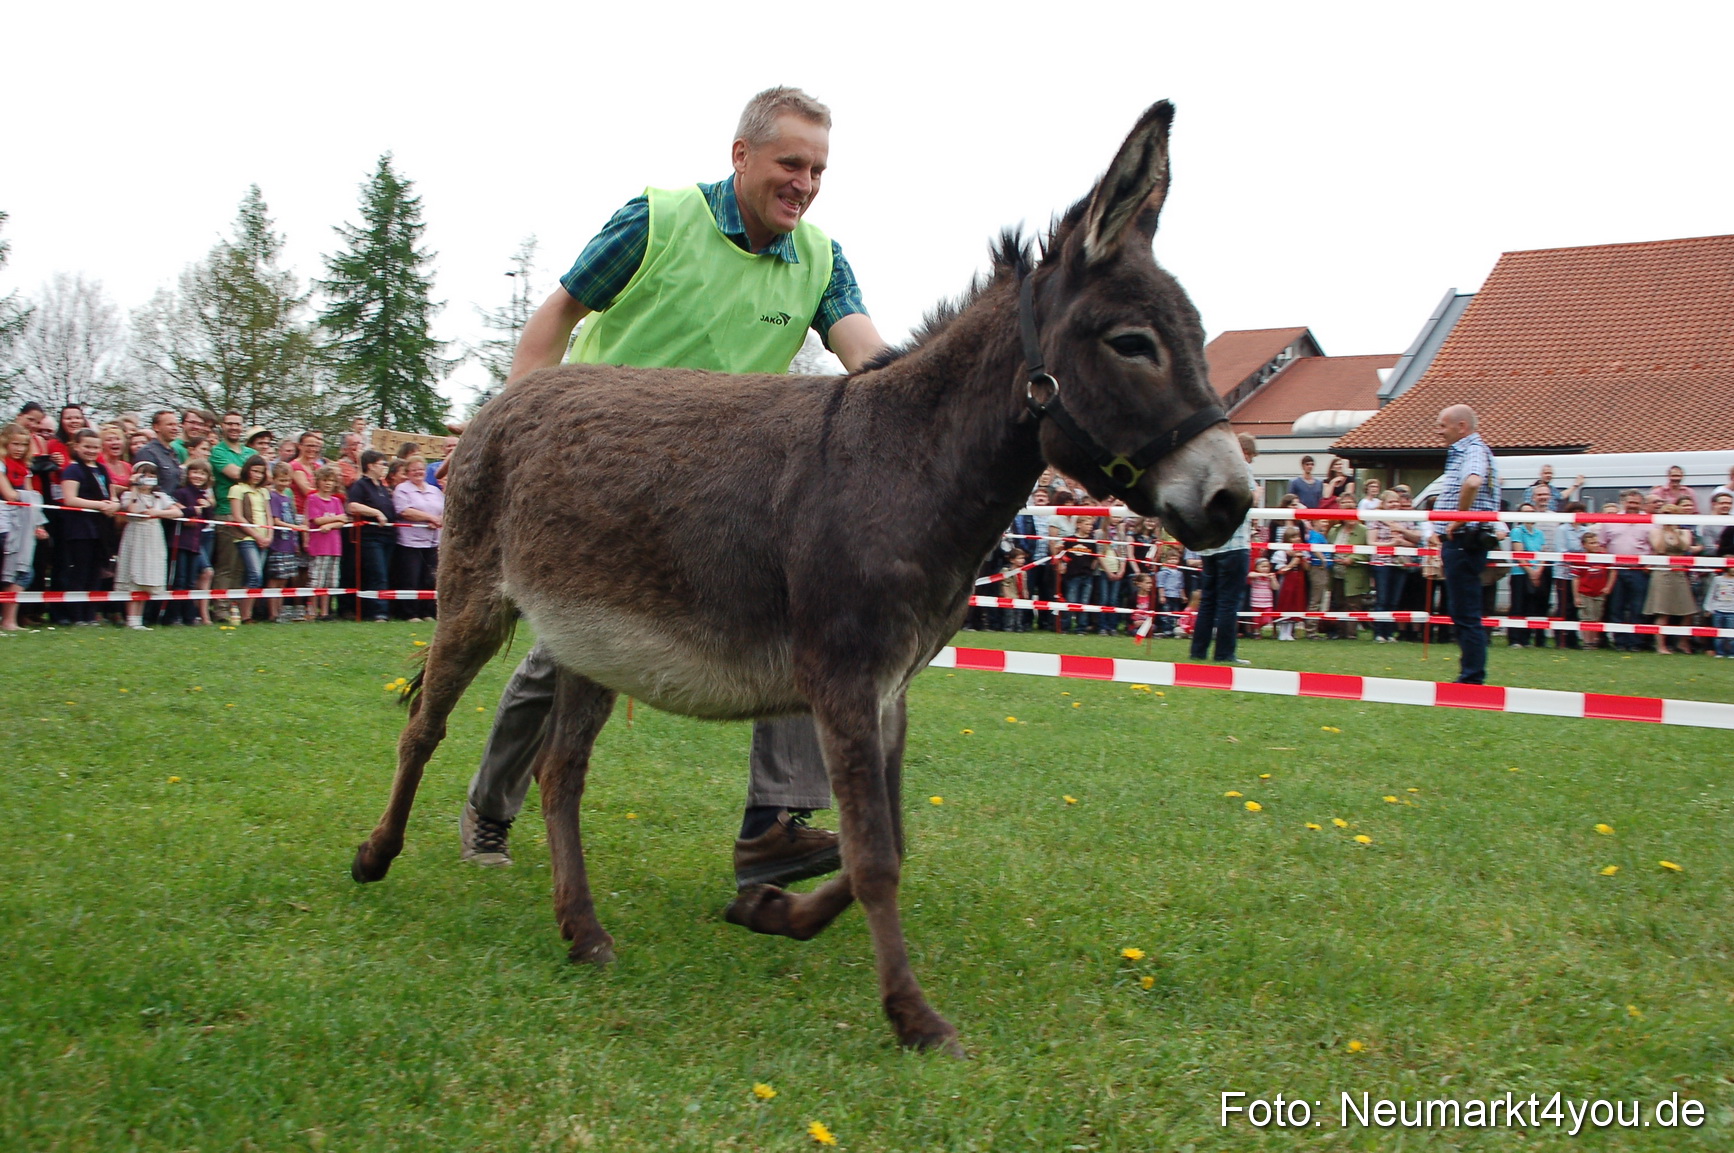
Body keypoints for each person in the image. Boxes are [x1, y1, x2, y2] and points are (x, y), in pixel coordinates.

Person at [460, 87, 889, 888]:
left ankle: (778, 821)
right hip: (599, 483)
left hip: (718, 493)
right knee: (563, 659)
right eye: (790, 163)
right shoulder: (655, 220)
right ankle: (490, 803)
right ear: (741, 156)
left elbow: (865, 354)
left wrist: (918, 407)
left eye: (819, 168)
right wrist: (513, 432)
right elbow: (558, 313)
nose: (805, 182)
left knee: (804, 615)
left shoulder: (823, 261)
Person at [1432, 404, 1499, 684]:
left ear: (1461, 427)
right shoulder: (1471, 450)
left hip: (1463, 541)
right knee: (1463, 611)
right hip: (1462, 542)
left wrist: (1458, 520)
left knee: (1466, 613)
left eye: (1443, 426)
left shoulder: (1471, 450)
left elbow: (1472, 482)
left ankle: (1472, 677)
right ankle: (1470, 672)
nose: (1439, 432)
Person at [1189, 433, 1257, 664]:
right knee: (1229, 601)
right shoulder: (1239, 468)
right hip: (1235, 544)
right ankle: (1225, 653)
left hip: (1211, 546)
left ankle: (1198, 651)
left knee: (1208, 600)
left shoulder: (1207, 471)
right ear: (1245, 453)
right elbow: (1252, 498)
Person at [113, 462, 181, 630]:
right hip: (135, 535)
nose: (149, 479)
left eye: (152, 476)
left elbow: (177, 512)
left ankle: (139, 619)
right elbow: (133, 509)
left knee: (147, 575)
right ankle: (131, 619)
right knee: (133, 574)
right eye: (145, 475)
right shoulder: (129, 495)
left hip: (153, 537)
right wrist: (135, 486)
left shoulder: (160, 496)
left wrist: (158, 513)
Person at [56, 429, 114, 626]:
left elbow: (111, 496)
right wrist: (99, 505)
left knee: (96, 572)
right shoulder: (73, 470)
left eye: (95, 447)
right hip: (80, 528)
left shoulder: (102, 469)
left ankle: (90, 614)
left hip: (101, 528)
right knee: (80, 571)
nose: (91, 451)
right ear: (77, 447)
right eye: (87, 447)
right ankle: (76, 615)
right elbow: (70, 499)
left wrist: (113, 505)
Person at [1, 422, 49, 632]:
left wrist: (38, 524)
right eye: (15, 444)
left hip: (23, 525)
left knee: (23, 573)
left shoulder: (25, 469)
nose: (19, 449)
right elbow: (10, 495)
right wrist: (32, 498)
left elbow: (31, 501)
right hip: (4, 524)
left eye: (23, 444)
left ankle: (9, 620)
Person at [345, 449, 397, 622]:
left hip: (387, 535)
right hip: (371, 537)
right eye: (382, 464)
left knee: (385, 572)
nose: (385, 468)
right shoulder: (361, 485)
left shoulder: (382, 486)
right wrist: (376, 512)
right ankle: (379, 612)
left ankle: (376, 608)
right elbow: (352, 506)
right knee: (377, 573)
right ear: (370, 465)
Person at [392, 453, 443, 622]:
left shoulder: (434, 490)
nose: (418, 472)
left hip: (433, 540)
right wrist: (428, 518)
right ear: (407, 472)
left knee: (430, 578)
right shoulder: (402, 489)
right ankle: (410, 612)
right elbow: (404, 511)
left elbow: (444, 509)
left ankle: (427, 611)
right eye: (413, 470)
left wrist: (438, 520)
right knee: (411, 577)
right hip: (410, 542)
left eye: (421, 469)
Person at [1599, 489, 1653, 651]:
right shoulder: (1611, 520)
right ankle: (1620, 642)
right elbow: (1601, 544)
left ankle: (1635, 643)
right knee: (1617, 608)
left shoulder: (1650, 522)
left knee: (1638, 608)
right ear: (1623, 503)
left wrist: (1649, 564)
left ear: (1641, 504)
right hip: (1616, 571)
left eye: (1636, 503)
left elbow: (1655, 547)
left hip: (1639, 571)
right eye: (1630, 502)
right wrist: (1608, 564)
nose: (1632, 506)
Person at [225, 455, 272, 623]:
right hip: (246, 537)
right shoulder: (237, 489)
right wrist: (257, 535)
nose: (258, 475)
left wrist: (269, 535)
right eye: (255, 471)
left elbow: (268, 515)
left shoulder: (264, 491)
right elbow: (238, 517)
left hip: (264, 536)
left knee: (255, 577)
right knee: (254, 574)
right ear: (247, 470)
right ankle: (243, 614)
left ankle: (247, 614)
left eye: (261, 472)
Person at [1643, 506, 1696, 654]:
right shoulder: (1655, 531)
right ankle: (1661, 646)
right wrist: (1663, 530)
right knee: (1663, 610)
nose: (1668, 516)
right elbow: (1659, 548)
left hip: (1679, 571)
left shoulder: (1685, 532)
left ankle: (1682, 642)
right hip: (1662, 571)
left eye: (1671, 513)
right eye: (1665, 513)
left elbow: (1685, 547)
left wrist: (1674, 531)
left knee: (1688, 610)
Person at [168, 459, 215, 626]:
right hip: (180, 542)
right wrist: (193, 511)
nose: (198, 476)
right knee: (178, 580)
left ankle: (189, 617)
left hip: (195, 543)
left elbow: (206, 520)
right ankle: (173, 616)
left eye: (202, 473)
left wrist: (207, 507)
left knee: (190, 581)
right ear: (188, 474)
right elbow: (183, 516)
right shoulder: (181, 492)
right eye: (194, 472)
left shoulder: (203, 496)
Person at [304, 466, 347, 622]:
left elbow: (343, 520)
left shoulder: (336, 500)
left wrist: (330, 525)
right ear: (318, 482)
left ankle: (325, 612)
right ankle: (313, 611)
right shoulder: (313, 499)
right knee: (317, 581)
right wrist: (336, 519)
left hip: (334, 547)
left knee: (330, 581)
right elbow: (317, 520)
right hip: (319, 546)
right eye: (325, 480)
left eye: (331, 481)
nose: (328, 484)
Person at [264, 463, 305, 622]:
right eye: (281, 480)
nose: (284, 484)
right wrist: (295, 527)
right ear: (274, 479)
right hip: (278, 543)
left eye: (287, 480)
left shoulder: (287, 497)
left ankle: (280, 612)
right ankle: (272, 613)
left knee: (284, 579)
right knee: (275, 579)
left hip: (289, 544)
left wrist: (295, 542)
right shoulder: (273, 497)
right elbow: (276, 520)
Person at [1505, 502, 1546, 647]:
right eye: (1526, 511)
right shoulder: (1517, 531)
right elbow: (1519, 553)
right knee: (1518, 606)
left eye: (1532, 511)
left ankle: (1526, 638)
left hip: (1535, 572)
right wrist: (1531, 571)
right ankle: (1515, 639)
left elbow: (1543, 552)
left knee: (1531, 606)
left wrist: (1539, 570)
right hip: (1520, 573)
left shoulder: (1539, 533)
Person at [1570, 531, 1614, 649]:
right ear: (1584, 545)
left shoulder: (1604, 556)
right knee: (1586, 617)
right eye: (1592, 543)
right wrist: (1576, 596)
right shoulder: (1579, 559)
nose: (1595, 545)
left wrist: (1608, 586)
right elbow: (1576, 578)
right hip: (1585, 592)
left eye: (1596, 542)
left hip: (1599, 592)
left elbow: (1613, 570)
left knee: (1597, 617)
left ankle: (1595, 641)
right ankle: (1587, 642)